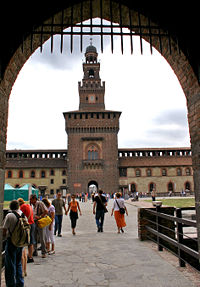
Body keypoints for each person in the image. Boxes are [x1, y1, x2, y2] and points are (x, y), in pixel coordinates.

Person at [3, 200, 24, 287]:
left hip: (11, 241)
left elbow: (4, 229)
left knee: (10, 265)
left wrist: (4, 237)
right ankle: (20, 282)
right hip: (20, 242)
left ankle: (11, 284)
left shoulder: (9, 215)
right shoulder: (22, 214)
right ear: (18, 206)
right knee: (18, 263)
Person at [30, 194, 48, 258]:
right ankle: (35, 251)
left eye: (31, 199)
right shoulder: (32, 205)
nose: (30, 200)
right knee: (34, 237)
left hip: (40, 222)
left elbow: (46, 211)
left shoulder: (40, 203)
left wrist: (40, 216)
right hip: (34, 222)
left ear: (34, 199)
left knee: (41, 237)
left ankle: (44, 252)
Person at [18, 198, 35, 263]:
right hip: (32, 223)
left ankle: (28, 256)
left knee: (27, 241)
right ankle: (30, 256)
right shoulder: (28, 205)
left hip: (28, 225)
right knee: (31, 240)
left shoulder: (23, 207)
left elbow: (19, 215)